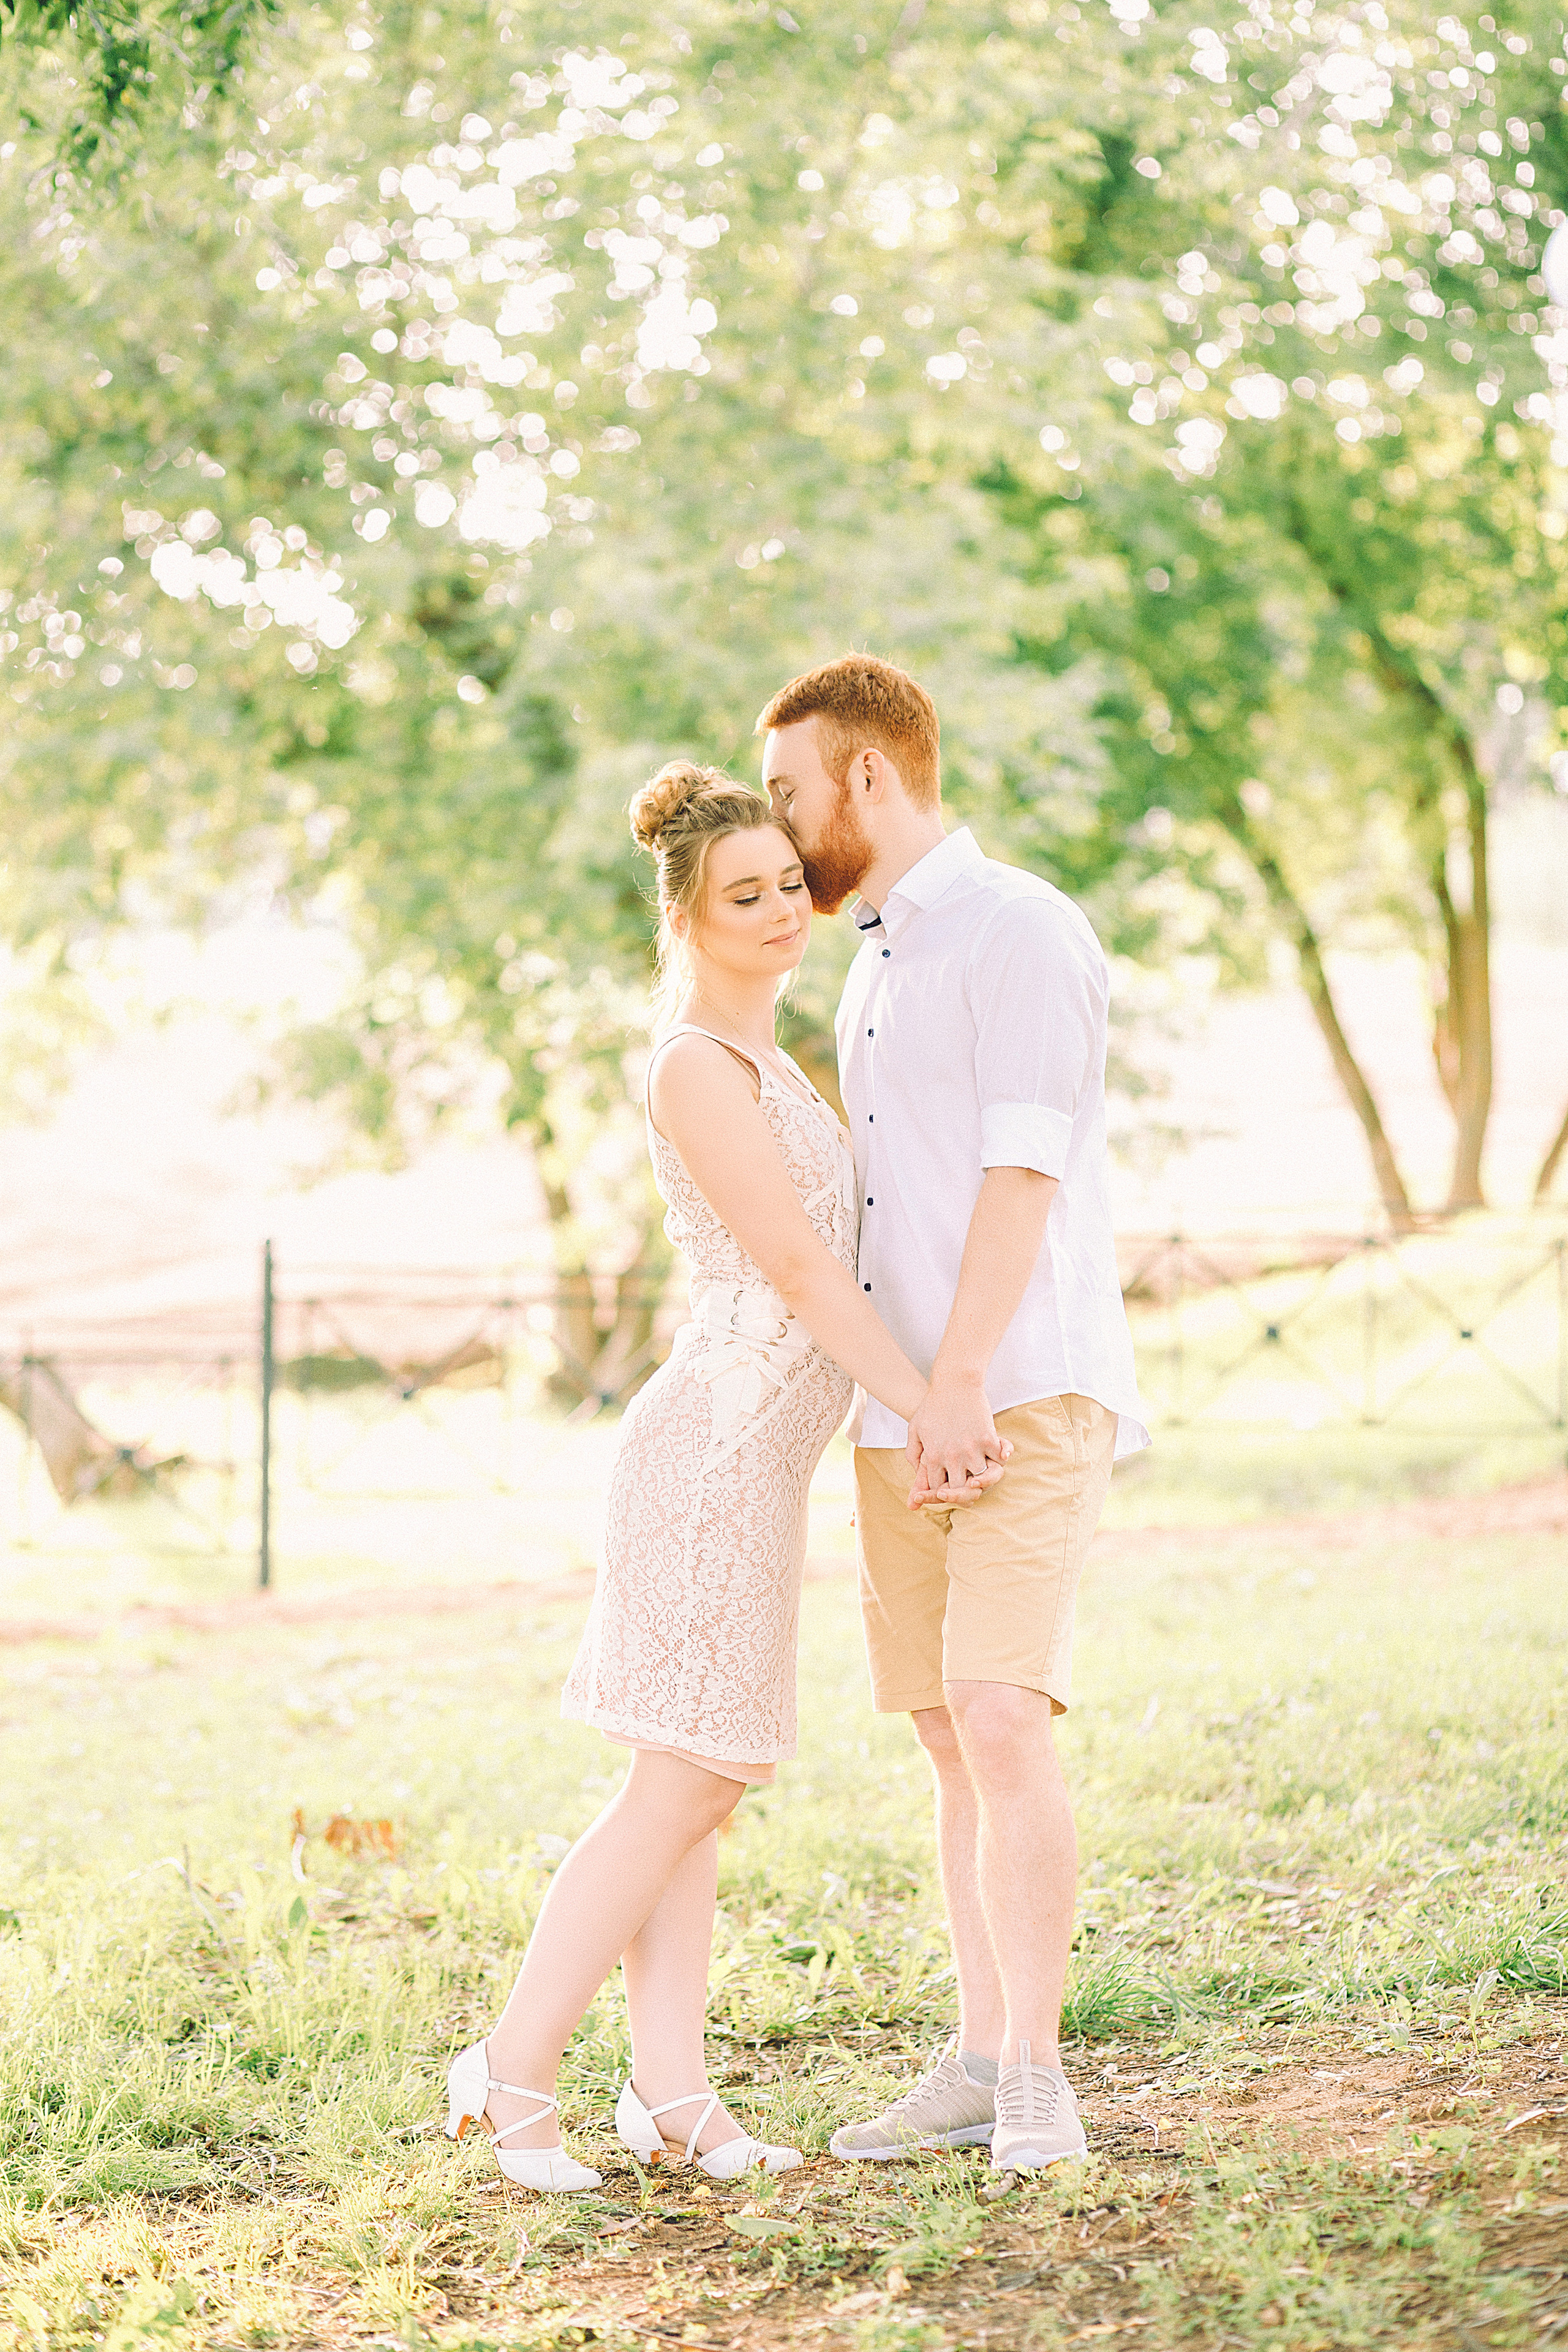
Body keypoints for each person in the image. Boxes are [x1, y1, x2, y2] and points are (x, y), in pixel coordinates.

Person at [444, 760, 1001, 2191]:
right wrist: (929, 1407)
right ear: (684, 917)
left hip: (757, 1479)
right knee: (685, 1781)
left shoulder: (765, 1059)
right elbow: (805, 1270)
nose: (777, 912)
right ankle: (508, 2071)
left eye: (787, 887)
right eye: (740, 895)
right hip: (704, 1464)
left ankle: (671, 2091)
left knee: (697, 1785)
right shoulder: (694, 1063)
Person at [757, 654, 1148, 2176]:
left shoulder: (1020, 929)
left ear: (868, 775)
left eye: (790, 793)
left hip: (1018, 1390)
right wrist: (903, 1394)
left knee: (1000, 1716)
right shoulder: (873, 960)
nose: (781, 831)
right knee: (941, 1736)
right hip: (901, 1413)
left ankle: (1041, 2077)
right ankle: (980, 2057)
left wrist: (963, 1382)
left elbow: (1023, 1170)